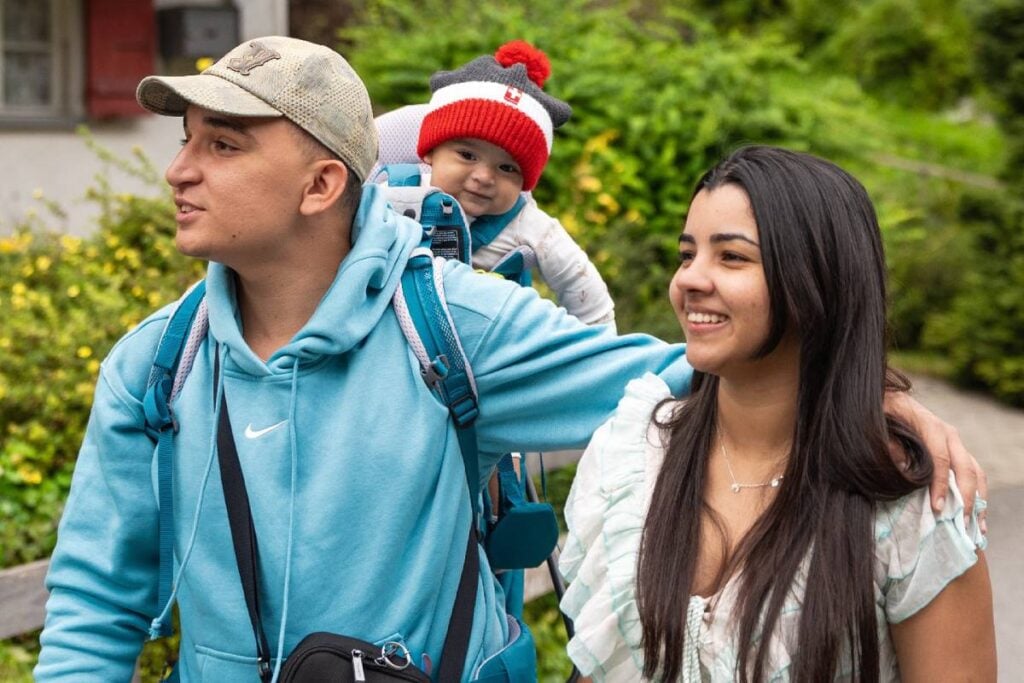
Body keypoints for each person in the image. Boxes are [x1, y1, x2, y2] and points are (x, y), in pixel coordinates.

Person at [34, 37, 979, 682]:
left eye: (224, 145)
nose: (179, 170)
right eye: (187, 141)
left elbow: (689, 370)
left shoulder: (451, 326)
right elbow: (93, 602)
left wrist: (875, 400)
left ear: (323, 183)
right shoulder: (157, 363)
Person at [559, 146, 996, 682]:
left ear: (817, 281)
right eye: (686, 254)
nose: (691, 279)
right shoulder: (632, 456)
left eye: (732, 257)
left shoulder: (906, 502)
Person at [389, 39, 616, 328]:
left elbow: (586, 292)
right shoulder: (395, 194)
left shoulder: (530, 227)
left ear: (524, 182)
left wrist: (597, 354)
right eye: (467, 155)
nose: (484, 177)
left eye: (507, 167)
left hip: (493, 354)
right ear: (430, 152)